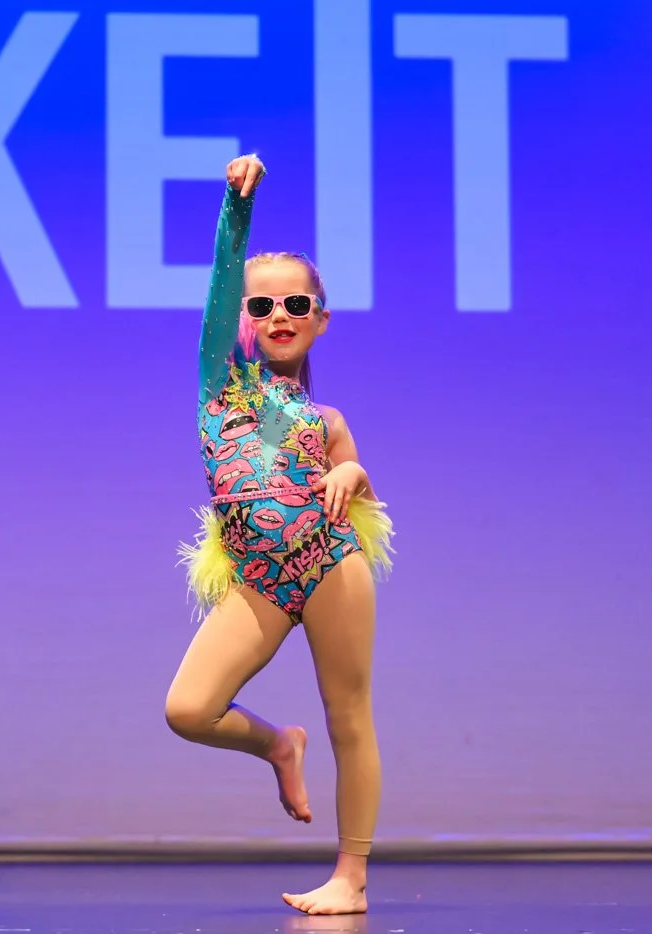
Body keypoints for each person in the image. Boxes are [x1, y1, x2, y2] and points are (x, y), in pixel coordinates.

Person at [166, 154, 395, 916]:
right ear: (240, 322)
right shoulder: (218, 388)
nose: (278, 317)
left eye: (296, 304)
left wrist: (352, 475)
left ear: (321, 319)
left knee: (350, 715)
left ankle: (351, 875)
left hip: (328, 563)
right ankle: (275, 745)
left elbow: (355, 476)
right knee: (189, 709)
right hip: (259, 581)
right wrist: (237, 212)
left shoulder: (326, 420)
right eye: (261, 308)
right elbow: (220, 289)